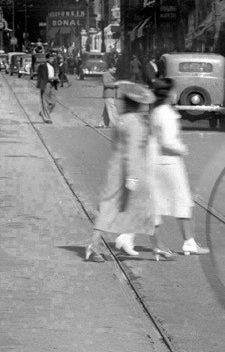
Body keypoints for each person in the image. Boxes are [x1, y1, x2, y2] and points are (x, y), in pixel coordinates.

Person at [83, 81, 159, 261]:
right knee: (143, 207)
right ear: (138, 104)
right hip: (129, 170)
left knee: (109, 208)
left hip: (115, 168)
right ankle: (155, 246)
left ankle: (97, 245)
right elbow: (132, 150)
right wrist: (132, 176)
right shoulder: (135, 122)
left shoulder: (121, 119)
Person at [149, 79, 208, 257]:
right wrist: (182, 148)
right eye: (173, 90)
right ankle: (188, 242)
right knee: (182, 201)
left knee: (155, 204)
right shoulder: (166, 113)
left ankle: (158, 244)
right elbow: (167, 142)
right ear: (167, 93)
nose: (176, 93)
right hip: (170, 162)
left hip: (156, 162)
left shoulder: (155, 111)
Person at [36, 53, 56, 123]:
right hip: (46, 84)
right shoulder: (42, 66)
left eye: (53, 58)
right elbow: (39, 76)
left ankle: (43, 113)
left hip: (52, 84)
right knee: (45, 102)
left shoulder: (53, 66)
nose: (52, 60)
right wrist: (40, 85)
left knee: (53, 103)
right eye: (51, 58)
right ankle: (47, 118)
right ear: (47, 59)